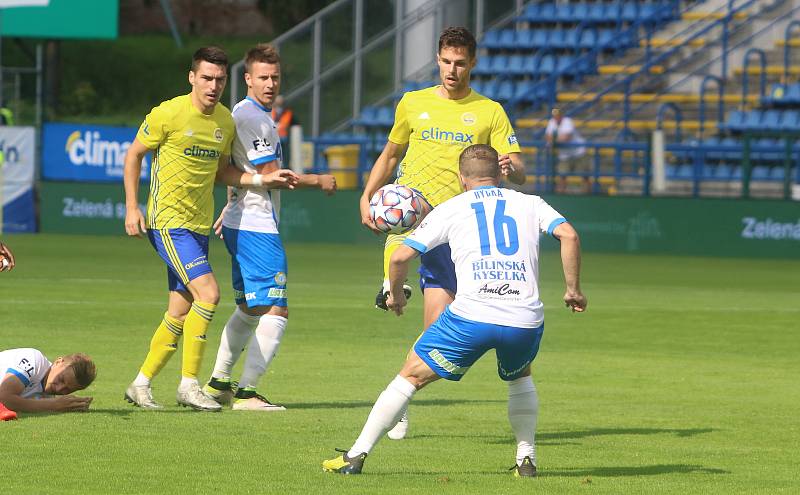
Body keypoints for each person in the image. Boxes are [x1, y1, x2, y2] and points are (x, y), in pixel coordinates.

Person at [323, 144, 586, 476]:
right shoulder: (531, 203)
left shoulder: (451, 208)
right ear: (500, 175)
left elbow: (402, 256)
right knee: (520, 377)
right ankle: (526, 460)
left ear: (462, 179)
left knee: (410, 377)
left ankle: (355, 457)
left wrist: (396, 295)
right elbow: (569, 236)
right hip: (524, 317)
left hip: (471, 317)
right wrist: (572, 289)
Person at [358, 25, 526, 439]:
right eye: (447, 62)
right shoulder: (413, 103)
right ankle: (392, 290)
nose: (453, 70)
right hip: (417, 217)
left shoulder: (489, 111)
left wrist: (511, 168)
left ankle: (406, 381)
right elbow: (390, 154)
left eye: (461, 63)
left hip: (463, 230)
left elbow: (519, 169)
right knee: (408, 254)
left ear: (473, 63)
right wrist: (366, 197)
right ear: (438, 59)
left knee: (439, 330)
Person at [122, 46, 299, 412]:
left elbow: (223, 173)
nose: (213, 85)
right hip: (168, 221)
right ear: (192, 77)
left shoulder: (224, 121)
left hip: (199, 224)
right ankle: (189, 384)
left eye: (219, 79)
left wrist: (243, 187)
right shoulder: (168, 112)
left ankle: (140, 384)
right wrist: (132, 206)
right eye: (206, 77)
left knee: (179, 310)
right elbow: (134, 154)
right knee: (210, 294)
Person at [201, 44, 336, 411]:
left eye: (275, 77)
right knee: (276, 307)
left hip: (241, 221)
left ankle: (218, 383)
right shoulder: (252, 118)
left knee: (249, 309)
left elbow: (238, 169)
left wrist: (229, 207)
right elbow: (268, 177)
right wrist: (318, 180)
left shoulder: (253, 115)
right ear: (247, 79)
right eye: (263, 77)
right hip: (255, 227)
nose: (270, 83)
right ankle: (247, 393)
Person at [0, 348, 96, 417]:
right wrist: (54, 405)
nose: (58, 389)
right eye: (61, 379)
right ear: (58, 362)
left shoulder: (46, 396)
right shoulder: (34, 360)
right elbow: (4, 397)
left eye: (67, 389)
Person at [544, 108, 589, 194]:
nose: (556, 117)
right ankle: (561, 194)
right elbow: (547, 136)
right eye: (555, 115)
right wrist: (554, 140)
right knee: (562, 175)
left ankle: (588, 194)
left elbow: (567, 137)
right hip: (564, 154)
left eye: (558, 115)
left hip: (578, 152)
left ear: (561, 115)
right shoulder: (552, 122)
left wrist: (553, 141)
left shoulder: (567, 121)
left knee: (585, 175)